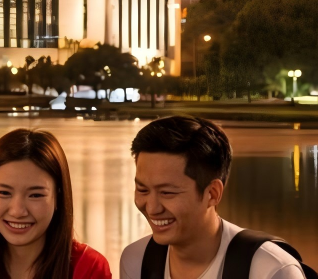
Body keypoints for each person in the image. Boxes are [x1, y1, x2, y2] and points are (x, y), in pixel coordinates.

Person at [119, 116, 308, 279]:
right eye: (142, 190)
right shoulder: (137, 261)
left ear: (212, 193)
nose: (152, 208)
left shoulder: (271, 270)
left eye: (167, 193)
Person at [0, 129, 110, 279]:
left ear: (58, 196)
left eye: (35, 195)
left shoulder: (89, 267)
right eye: (4, 193)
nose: (18, 211)